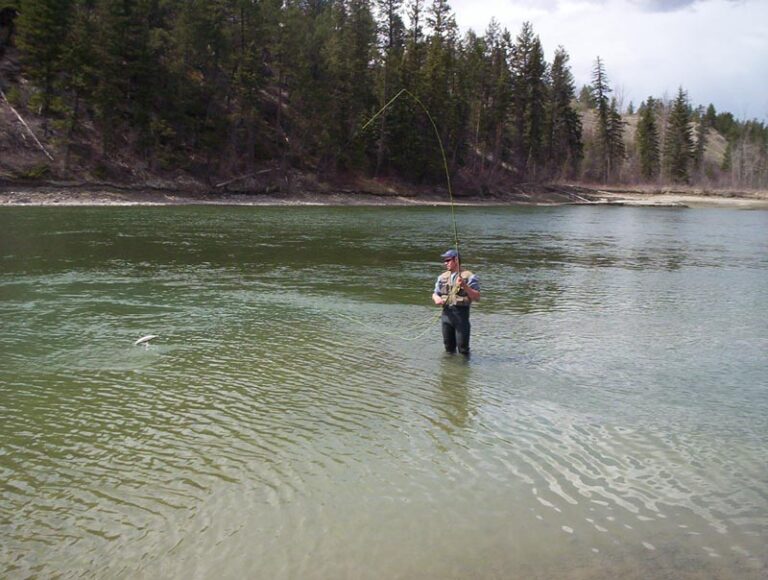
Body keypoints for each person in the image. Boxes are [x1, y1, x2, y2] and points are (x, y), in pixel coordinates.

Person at [432, 249, 480, 355]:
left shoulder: (470, 277)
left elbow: (477, 297)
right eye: (445, 260)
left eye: (448, 260)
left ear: (456, 260)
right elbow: (435, 293)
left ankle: (463, 370)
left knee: (463, 350)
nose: (445, 263)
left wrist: (464, 286)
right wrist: (436, 298)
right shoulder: (442, 277)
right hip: (446, 316)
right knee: (448, 349)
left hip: (461, 316)